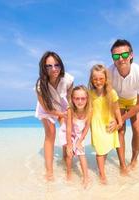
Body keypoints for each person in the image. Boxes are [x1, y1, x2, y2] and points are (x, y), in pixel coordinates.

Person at [108, 39, 139, 171]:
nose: (121, 59)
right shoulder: (109, 72)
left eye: (124, 55)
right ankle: (122, 164)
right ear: (113, 58)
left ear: (131, 55)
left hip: (135, 102)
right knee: (120, 130)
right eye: (116, 56)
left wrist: (121, 119)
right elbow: (106, 95)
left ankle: (134, 159)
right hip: (118, 102)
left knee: (137, 129)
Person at [35, 51, 74, 181]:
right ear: (44, 68)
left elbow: (69, 98)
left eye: (57, 65)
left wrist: (68, 112)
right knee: (50, 133)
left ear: (61, 65)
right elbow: (46, 108)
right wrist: (58, 114)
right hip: (47, 108)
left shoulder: (68, 79)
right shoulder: (40, 85)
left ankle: (65, 159)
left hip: (61, 105)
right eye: (49, 66)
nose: (54, 69)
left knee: (65, 130)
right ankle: (49, 171)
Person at [88, 64, 122, 184]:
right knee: (99, 151)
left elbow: (117, 109)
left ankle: (101, 169)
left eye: (101, 78)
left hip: (109, 124)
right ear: (92, 80)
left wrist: (119, 122)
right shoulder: (90, 94)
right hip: (96, 125)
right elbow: (87, 109)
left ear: (106, 79)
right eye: (95, 79)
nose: (98, 81)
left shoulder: (111, 93)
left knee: (105, 148)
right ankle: (102, 175)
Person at [58, 85, 92, 188]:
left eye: (83, 98)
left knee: (81, 153)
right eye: (77, 98)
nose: (80, 101)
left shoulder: (90, 110)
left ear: (87, 99)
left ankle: (86, 177)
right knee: (70, 153)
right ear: (72, 99)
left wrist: (79, 141)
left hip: (78, 134)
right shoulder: (70, 110)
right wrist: (69, 144)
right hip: (67, 132)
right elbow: (68, 128)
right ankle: (69, 173)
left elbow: (86, 128)